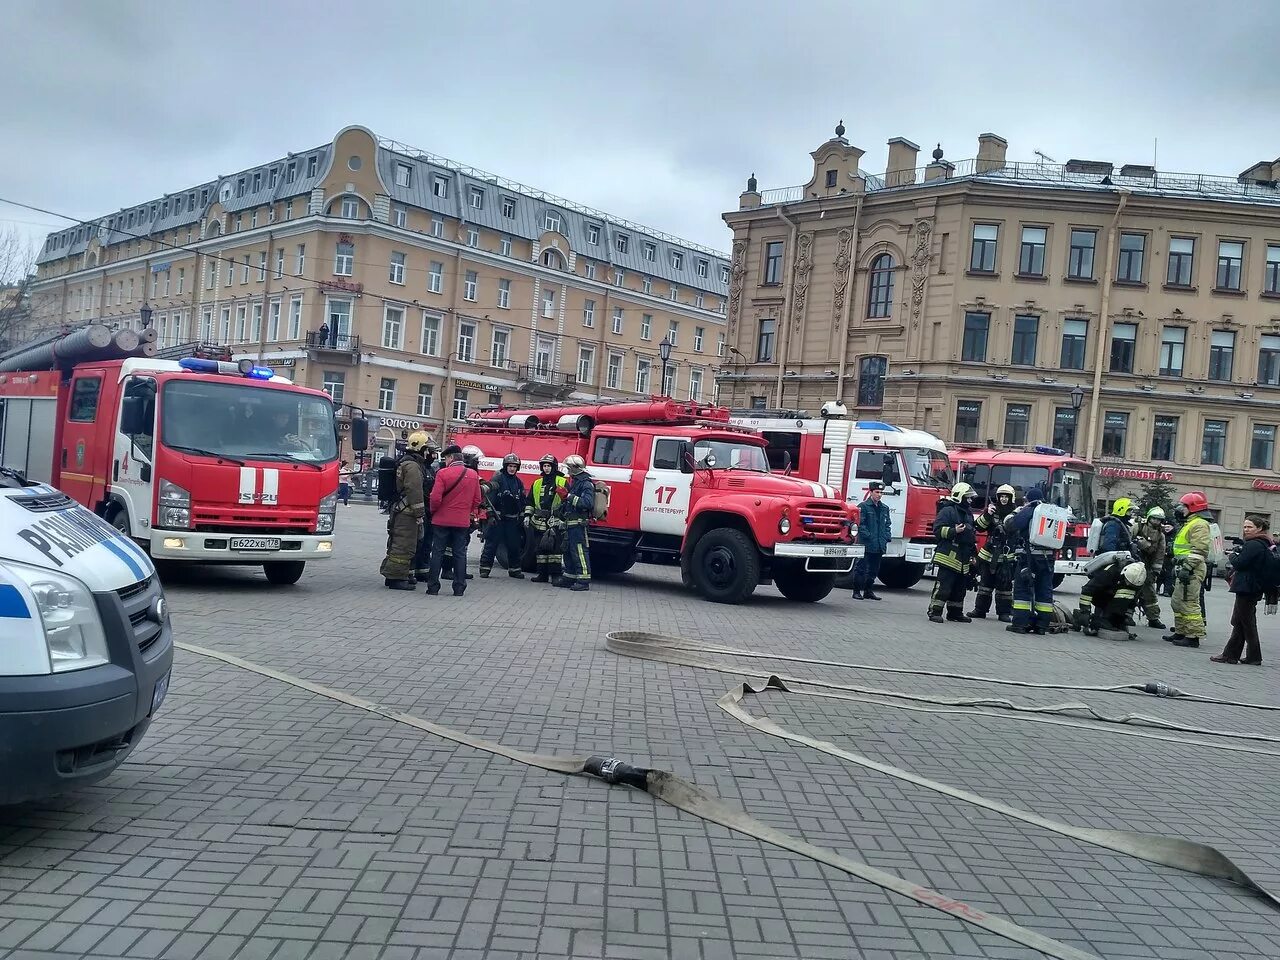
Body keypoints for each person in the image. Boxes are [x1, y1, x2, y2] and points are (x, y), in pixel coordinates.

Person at [1212, 516, 1278, 665]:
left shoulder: (1254, 544)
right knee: (1241, 622)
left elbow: (1240, 563)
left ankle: (1247, 656)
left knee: (1246, 623)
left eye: (1250, 527)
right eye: (1245, 527)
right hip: (1252, 587)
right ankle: (1233, 655)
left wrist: (1233, 555)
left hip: (1247, 587)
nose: (1246, 530)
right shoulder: (1263, 543)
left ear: (1259, 528)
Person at [426, 443, 482, 596]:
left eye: (446, 458)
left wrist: (434, 512)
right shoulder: (473, 475)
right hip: (462, 522)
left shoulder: (442, 473)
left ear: (451, 458)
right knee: (460, 553)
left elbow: (435, 498)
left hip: (441, 520)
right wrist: (466, 511)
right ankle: (459, 587)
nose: (445, 461)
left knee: (437, 552)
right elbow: (477, 500)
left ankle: (433, 587)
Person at [378, 433, 430, 590]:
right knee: (404, 545)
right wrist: (420, 513)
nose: (428, 453)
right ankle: (396, 579)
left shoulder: (406, 462)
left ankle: (395, 575)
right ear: (421, 448)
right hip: (407, 513)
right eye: (426, 449)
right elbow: (414, 490)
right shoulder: (413, 466)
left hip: (401, 510)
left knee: (398, 542)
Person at [1007, 486, 1056, 635]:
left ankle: (1020, 624)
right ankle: (1042, 626)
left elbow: (1012, 525)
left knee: (1022, 590)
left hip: (1029, 558)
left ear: (1029, 499)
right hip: (1048, 559)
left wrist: (1016, 512)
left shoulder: (1030, 510)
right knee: (1044, 591)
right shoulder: (1052, 512)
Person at [1167, 491, 1212, 647]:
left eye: (1184, 506)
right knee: (1177, 602)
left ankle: (1193, 637)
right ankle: (1181, 632)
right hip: (1185, 566)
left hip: (1192, 568)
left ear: (1193, 507)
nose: (1181, 509)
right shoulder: (1190, 523)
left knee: (1189, 602)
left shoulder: (1199, 524)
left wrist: (1187, 567)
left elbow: (1199, 550)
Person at [927, 482, 977, 623]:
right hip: (948, 557)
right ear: (959, 496)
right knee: (943, 586)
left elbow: (971, 536)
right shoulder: (947, 511)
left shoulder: (968, 514)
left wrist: (973, 555)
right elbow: (937, 530)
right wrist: (954, 531)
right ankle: (934, 612)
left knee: (959, 589)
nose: (970, 500)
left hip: (963, 557)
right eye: (968, 498)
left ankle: (955, 613)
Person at [968, 483, 1017, 622]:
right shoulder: (991, 511)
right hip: (988, 555)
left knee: (1005, 587)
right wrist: (987, 515)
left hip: (1006, 557)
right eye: (1001, 496)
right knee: (985, 585)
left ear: (1011, 498)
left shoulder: (1015, 514)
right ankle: (980, 610)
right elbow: (979, 527)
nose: (1003, 499)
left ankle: (1004, 613)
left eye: (1006, 497)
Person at [1073, 557, 1147, 639]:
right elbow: (1088, 590)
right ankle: (1093, 618)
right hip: (1101, 595)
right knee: (1103, 621)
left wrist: (1126, 617)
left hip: (1114, 597)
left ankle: (1109, 618)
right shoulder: (1110, 572)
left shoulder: (1138, 580)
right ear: (1124, 572)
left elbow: (1133, 600)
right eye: (1127, 582)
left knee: (1126, 596)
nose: (1128, 585)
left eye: (1131, 585)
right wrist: (1085, 611)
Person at [480, 454, 528, 579]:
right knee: (491, 544)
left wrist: (522, 516)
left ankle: (514, 570)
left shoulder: (518, 483)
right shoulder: (498, 479)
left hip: (512, 520)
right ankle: (485, 569)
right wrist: (490, 515)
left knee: (514, 545)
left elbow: (522, 501)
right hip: (498, 518)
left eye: (514, 466)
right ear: (505, 466)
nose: (512, 469)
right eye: (510, 466)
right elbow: (490, 499)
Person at [524, 454, 568, 583]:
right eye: (544, 466)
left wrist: (562, 520)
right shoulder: (537, 483)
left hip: (554, 520)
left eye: (549, 466)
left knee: (555, 550)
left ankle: (556, 575)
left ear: (554, 467)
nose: (546, 468)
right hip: (538, 521)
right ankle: (542, 575)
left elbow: (566, 502)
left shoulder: (562, 481)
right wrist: (527, 516)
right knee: (540, 549)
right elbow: (530, 501)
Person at [559, 454, 595, 592]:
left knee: (580, 552)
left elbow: (587, 503)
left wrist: (568, 496)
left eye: (569, 468)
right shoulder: (576, 482)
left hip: (579, 525)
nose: (568, 471)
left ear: (574, 468)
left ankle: (583, 580)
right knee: (568, 551)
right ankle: (569, 576)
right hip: (571, 523)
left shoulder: (586, 483)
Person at [852, 481, 891, 600]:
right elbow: (860, 524)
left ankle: (868, 591)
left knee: (874, 570)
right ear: (871, 492)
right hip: (866, 543)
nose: (879, 495)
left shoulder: (884, 508)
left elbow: (887, 524)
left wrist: (886, 537)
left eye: (881, 492)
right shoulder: (863, 506)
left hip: (879, 544)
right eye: (877, 492)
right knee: (861, 568)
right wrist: (868, 536)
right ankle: (857, 591)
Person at [1132, 507, 1168, 628]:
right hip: (1133, 562)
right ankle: (1126, 615)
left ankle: (1153, 618)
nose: (1156, 521)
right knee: (1131, 590)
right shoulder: (1138, 527)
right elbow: (1128, 541)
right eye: (1154, 518)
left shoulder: (1160, 535)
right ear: (1149, 518)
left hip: (1147, 566)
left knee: (1150, 593)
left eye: (1159, 520)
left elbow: (1159, 554)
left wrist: (1156, 571)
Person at [411, 438, 441, 582]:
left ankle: (422, 571)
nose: (434, 456)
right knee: (417, 543)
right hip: (417, 512)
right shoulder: (416, 467)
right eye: (431, 452)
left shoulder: (429, 468)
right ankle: (410, 572)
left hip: (428, 512)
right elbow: (416, 491)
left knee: (426, 542)